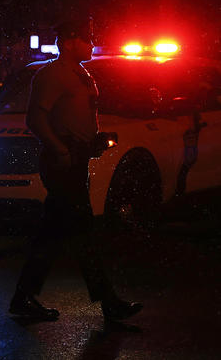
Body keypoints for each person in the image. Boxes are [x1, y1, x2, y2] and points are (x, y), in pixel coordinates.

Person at [9, 18, 143, 321]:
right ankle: (108, 302)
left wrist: (92, 142)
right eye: (87, 38)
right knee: (80, 231)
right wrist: (61, 149)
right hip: (62, 164)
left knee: (55, 232)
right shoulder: (53, 75)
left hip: (74, 160)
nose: (92, 43)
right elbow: (35, 119)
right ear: (69, 42)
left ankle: (24, 298)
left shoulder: (80, 73)